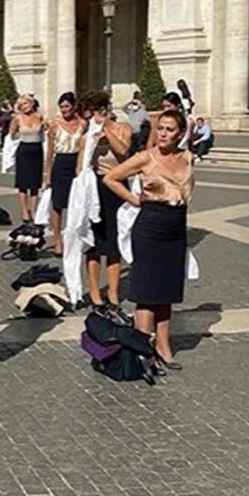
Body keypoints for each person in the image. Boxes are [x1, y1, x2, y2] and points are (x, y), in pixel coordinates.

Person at [104, 111, 193, 370]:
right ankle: (144, 349)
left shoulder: (188, 158)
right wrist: (134, 199)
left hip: (176, 227)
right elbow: (111, 178)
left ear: (180, 133)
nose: (164, 133)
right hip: (150, 225)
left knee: (167, 290)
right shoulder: (145, 157)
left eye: (170, 129)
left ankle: (164, 346)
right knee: (147, 290)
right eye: (161, 128)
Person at [78, 90, 133, 321]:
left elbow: (123, 152)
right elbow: (80, 167)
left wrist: (105, 130)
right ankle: (94, 292)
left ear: (102, 112)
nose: (89, 121)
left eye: (92, 115)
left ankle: (112, 292)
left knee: (113, 244)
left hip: (117, 188)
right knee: (93, 243)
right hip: (94, 189)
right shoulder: (87, 136)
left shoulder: (123, 129)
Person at [45, 93, 85, 257]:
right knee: (58, 203)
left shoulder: (83, 124)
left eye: (67, 106)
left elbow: (85, 147)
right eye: (62, 107)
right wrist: (47, 175)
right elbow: (49, 152)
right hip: (60, 163)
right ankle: (57, 241)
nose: (64, 110)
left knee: (77, 203)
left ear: (74, 106)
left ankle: (75, 238)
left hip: (76, 162)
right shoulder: (54, 124)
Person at [10, 95, 45, 222]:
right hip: (24, 150)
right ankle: (25, 211)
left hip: (37, 150)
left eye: (25, 104)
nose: (23, 107)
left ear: (32, 103)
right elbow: (11, 135)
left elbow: (44, 132)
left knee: (35, 184)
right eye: (21, 105)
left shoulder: (40, 116)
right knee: (23, 184)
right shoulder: (17, 118)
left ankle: (35, 210)